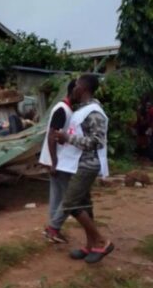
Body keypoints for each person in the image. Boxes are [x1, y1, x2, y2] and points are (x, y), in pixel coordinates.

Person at [50, 74, 113, 263]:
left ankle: (102, 241)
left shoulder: (94, 112)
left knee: (70, 203)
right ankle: (90, 245)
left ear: (83, 89)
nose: (73, 88)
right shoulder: (82, 110)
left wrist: (67, 138)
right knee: (85, 205)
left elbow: (97, 142)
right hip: (77, 163)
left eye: (76, 85)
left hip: (88, 164)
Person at [39, 79, 76, 243]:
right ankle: (54, 228)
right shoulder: (62, 109)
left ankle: (53, 229)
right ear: (74, 91)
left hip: (58, 160)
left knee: (57, 195)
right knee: (70, 197)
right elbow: (52, 135)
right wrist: (54, 162)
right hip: (58, 161)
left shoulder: (66, 109)